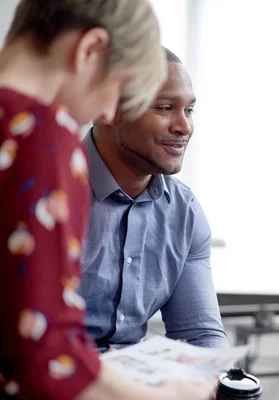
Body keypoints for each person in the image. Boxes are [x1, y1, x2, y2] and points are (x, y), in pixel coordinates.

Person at [0, 1, 214, 399]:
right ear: (89, 49)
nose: (108, 110)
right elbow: (47, 359)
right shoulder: (39, 134)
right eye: (116, 86)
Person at [80, 47, 227, 351]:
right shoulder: (48, 193)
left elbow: (199, 337)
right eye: (164, 108)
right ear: (109, 109)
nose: (184, 127)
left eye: (189, 110)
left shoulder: (184, 213)